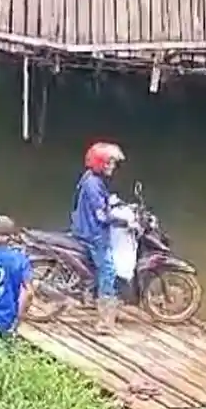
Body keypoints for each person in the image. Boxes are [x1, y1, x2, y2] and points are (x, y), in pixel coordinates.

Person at [70, 142, 126, 334]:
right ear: (100, 163)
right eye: (109, 163)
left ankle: (94, 298)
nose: (112, 166)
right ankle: (104, 322)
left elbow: (102, 202)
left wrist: (114, 203)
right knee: (108, 271)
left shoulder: (92, 179)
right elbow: (101, 215)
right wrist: (121, 220)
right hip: (94, 234)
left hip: (85, 229)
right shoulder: (93, 184)